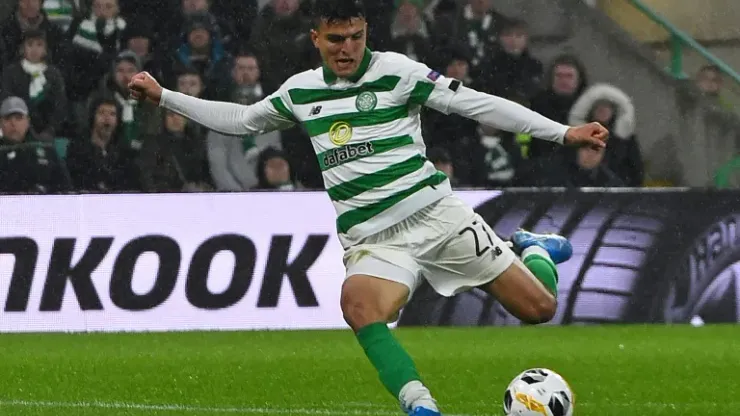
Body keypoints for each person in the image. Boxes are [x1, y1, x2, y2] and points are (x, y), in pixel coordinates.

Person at [128, 1, 609, 415]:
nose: (347, 49)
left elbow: (477, 105)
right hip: (375, 240)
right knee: (357, 306)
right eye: (336, 39)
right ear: (316, 38)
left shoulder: (399, 72)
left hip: (438, 218)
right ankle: (420, 404)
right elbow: (241, 119)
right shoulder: (300, 91)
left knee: (539, 308)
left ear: (366, 33)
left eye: (356, 37)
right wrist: (165, 96)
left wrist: (563, 132)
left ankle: (536, 249)